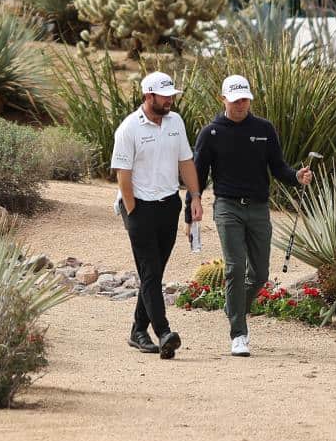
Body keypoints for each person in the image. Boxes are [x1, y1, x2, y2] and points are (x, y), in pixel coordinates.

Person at [192, 74, 315, 358]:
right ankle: (239, 333)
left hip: (259, 208)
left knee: (259, 273)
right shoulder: (210, 132)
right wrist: (192, 204)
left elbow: (279, 168)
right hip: (227, 207)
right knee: (235, 267)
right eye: (236, 100)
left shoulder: (264, 129)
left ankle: (233, 307)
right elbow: (197, 175)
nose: (241, 105)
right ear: (223, 99)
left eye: (245, 99)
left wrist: (297, 176)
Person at [111, 70, 200, 360]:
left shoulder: (176, 122)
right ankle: (164, 332)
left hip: (168, 205)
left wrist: (194, 196)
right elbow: (123, 175)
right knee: (150, 270)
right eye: (165, 96)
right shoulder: (128, 129)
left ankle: (138, 330)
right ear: (148, 96)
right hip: (139, 206)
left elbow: (185, 161)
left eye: (172, 95)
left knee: (154, 272)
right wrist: (133, 211)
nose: (170, 100)